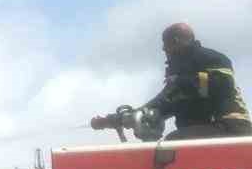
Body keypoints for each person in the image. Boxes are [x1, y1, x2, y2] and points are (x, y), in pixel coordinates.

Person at [94, 23, 252, 141]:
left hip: (230, 128)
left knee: (174, 143)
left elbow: (221, 86)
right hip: (204, 131)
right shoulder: (179, 73)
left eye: (165, 43)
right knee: (173, 143)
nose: (163, 49)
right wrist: (124, 117)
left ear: (176, 41)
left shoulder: (211, 58)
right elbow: (164, 103)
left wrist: (180, 81)